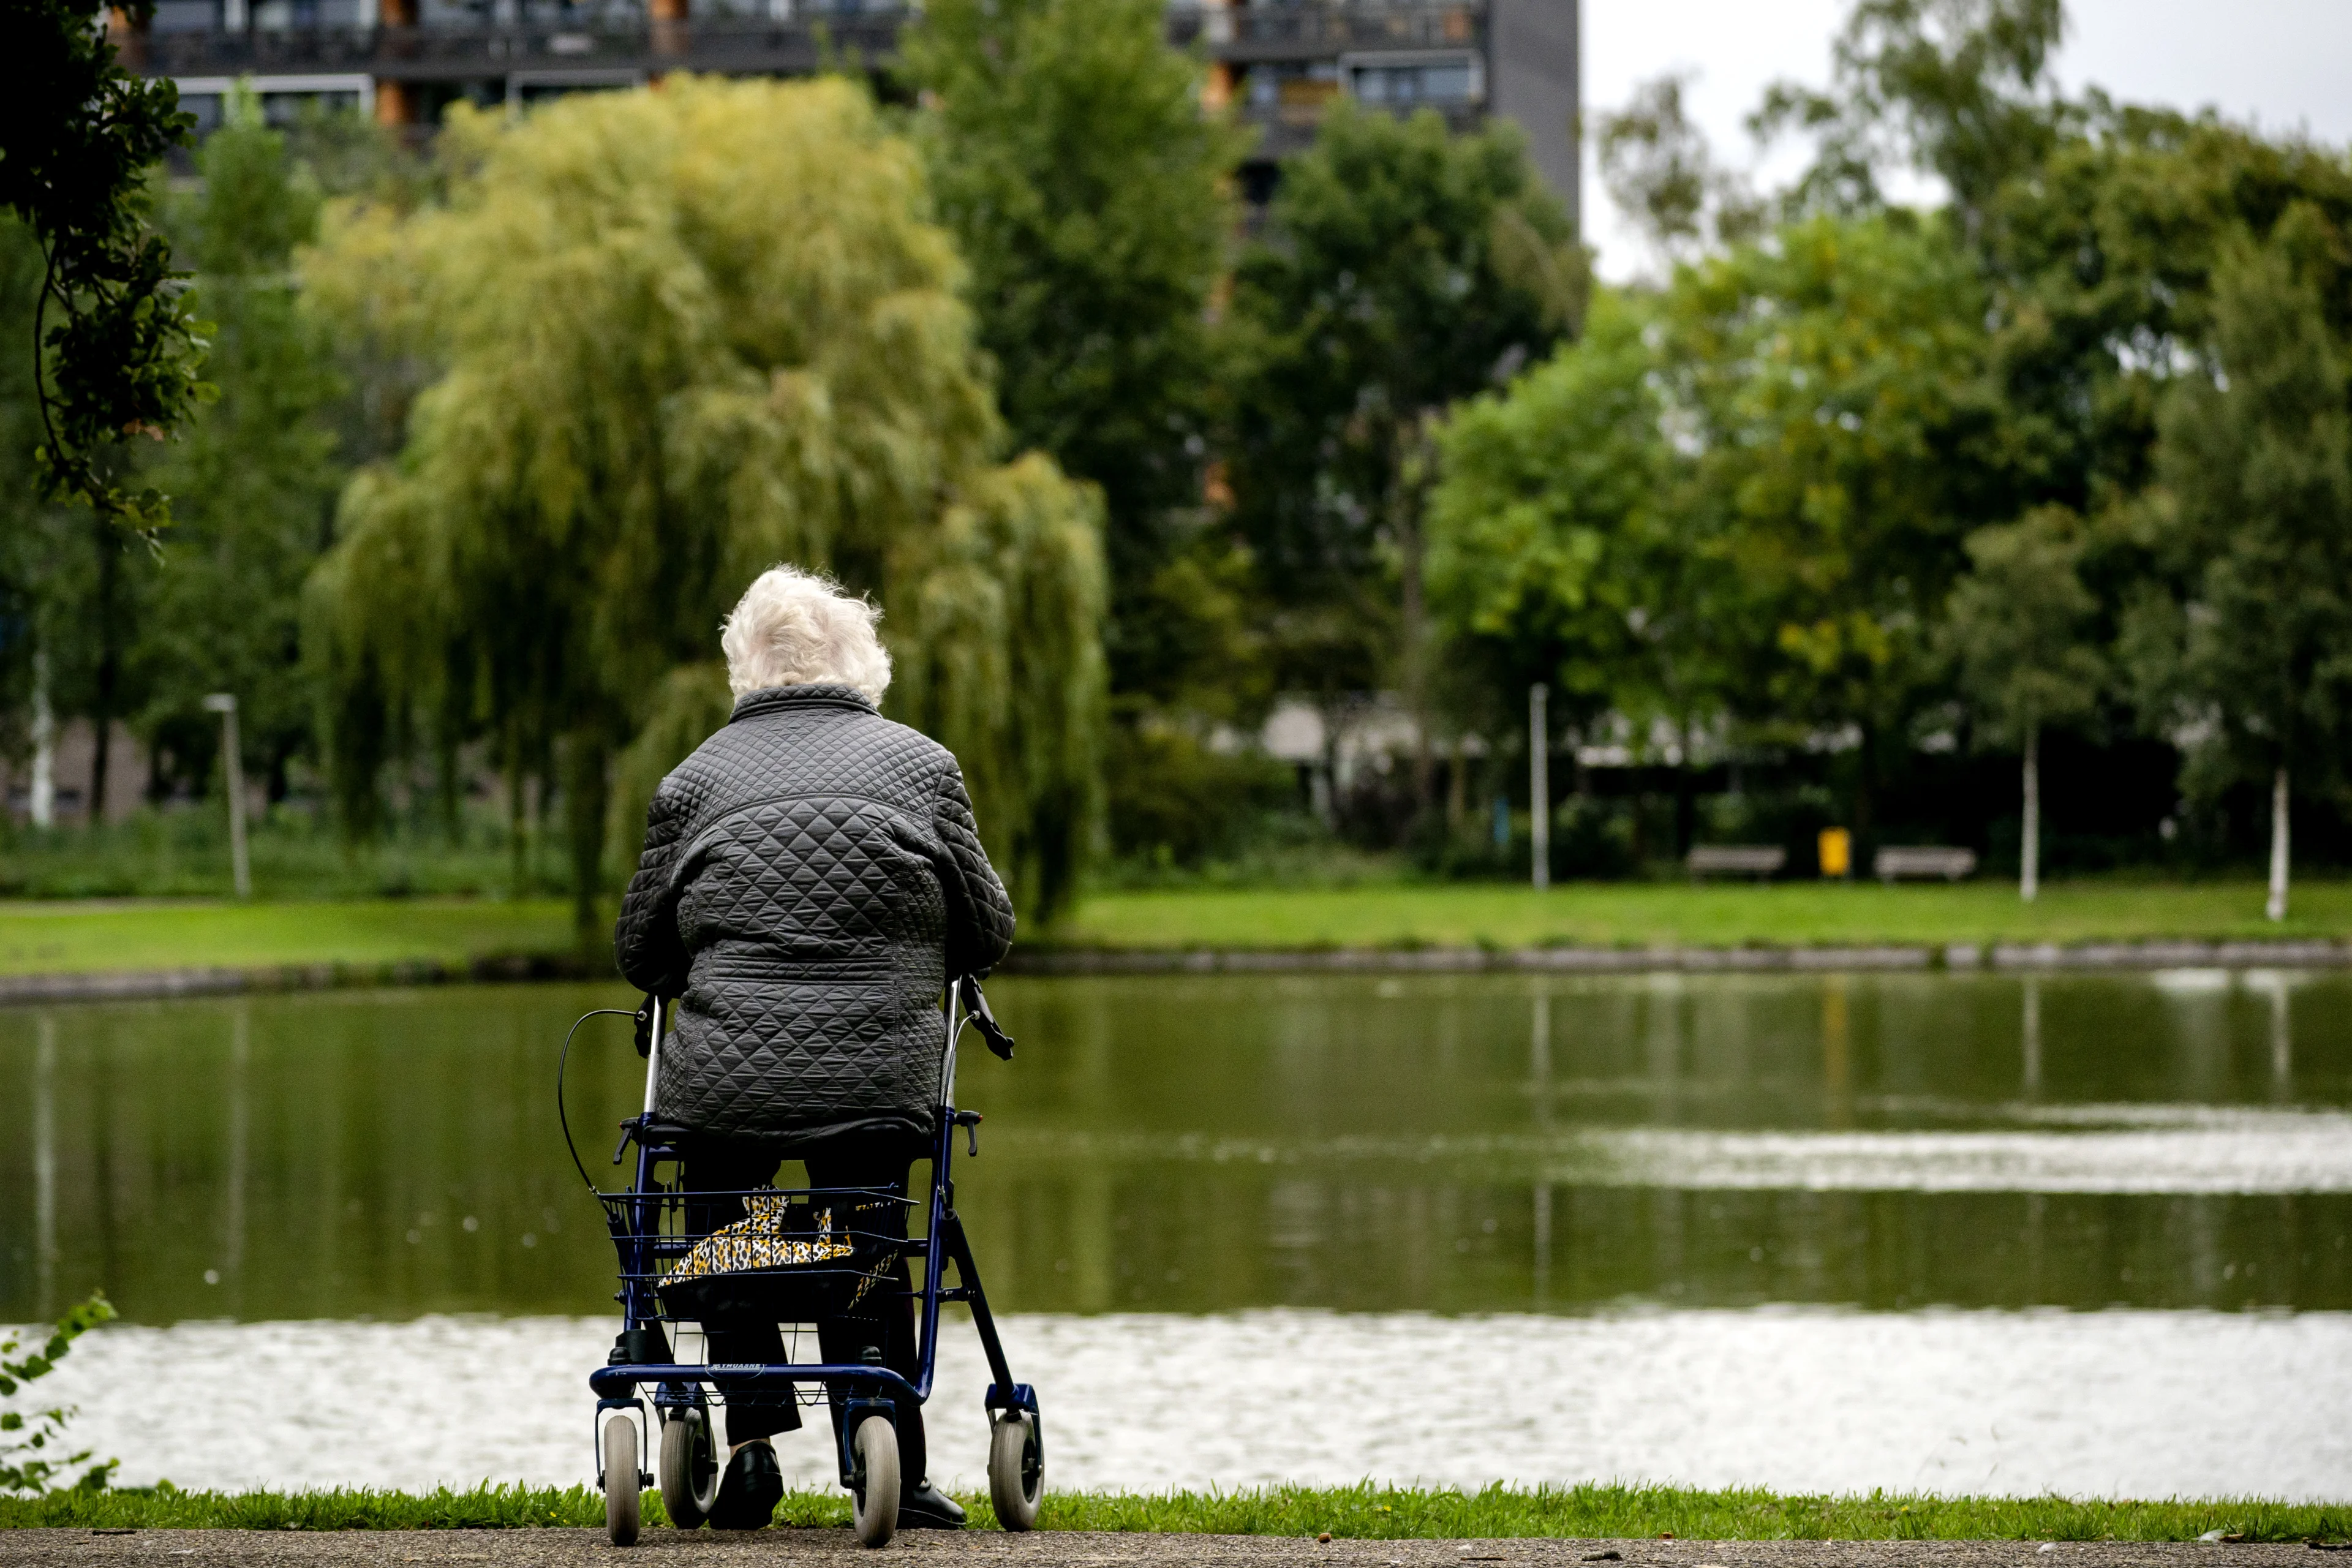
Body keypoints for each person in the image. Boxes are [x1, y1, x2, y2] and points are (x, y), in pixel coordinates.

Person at [614, 564, 1015, 1531]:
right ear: (863, 664)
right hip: (880, 1072)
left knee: (720, 1215)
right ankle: (882, 1449)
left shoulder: (693, 780)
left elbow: (640, 951)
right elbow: (989, 929)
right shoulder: (925, 768)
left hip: (723, 1078)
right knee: (866, 1227)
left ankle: (749, 1434)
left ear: (742, 670)